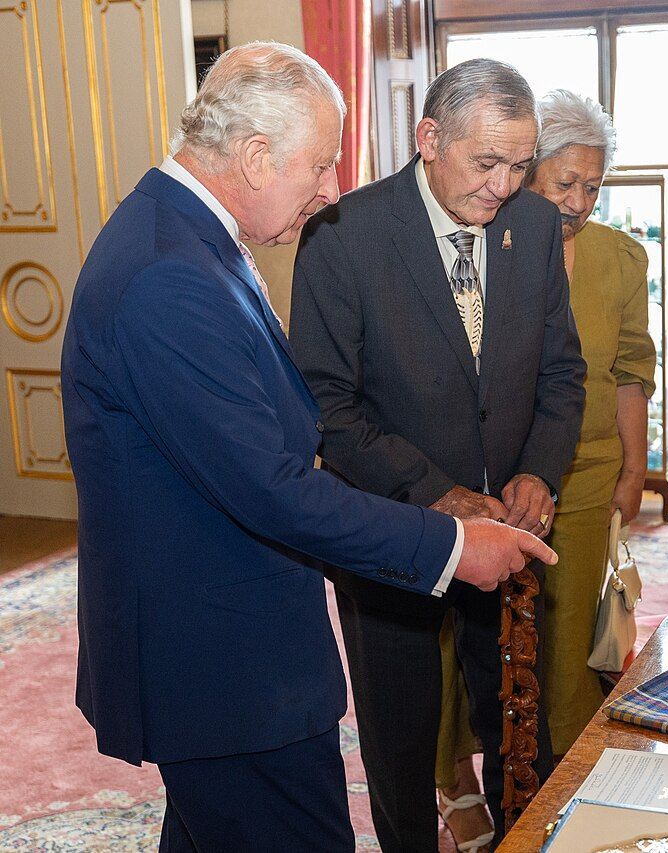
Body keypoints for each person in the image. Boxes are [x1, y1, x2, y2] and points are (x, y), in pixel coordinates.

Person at [61, 42, 554, 853]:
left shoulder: (189, 237)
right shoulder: (168, 276)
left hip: (230, 655)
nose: (333, 189)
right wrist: (455, 544)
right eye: (321, 164)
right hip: (224, 671)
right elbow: (274, 489)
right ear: (256, 158)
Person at [290, 59, 586, 852]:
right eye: (486, 162)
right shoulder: (342, 236)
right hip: (391, 531)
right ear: (429, 139)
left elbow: (562, 373)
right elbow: (327, 405)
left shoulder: (535, 229)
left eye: (521, 165)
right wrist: (437, 493)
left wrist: (538, 471)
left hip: (510, 533)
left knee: (520, 724)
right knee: (400, 735)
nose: (505, 184)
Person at [518, 89, 657, 754]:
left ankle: (565, 770)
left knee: (576, 635)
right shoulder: (491, 244)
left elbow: (631, 372)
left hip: (589, 468)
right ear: (528, 168)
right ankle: (459, 775)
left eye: (593, 187)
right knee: (480, 636)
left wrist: (635, 468)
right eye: (566, 181)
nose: (579, 201)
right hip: (501, 476)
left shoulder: (621, 259)